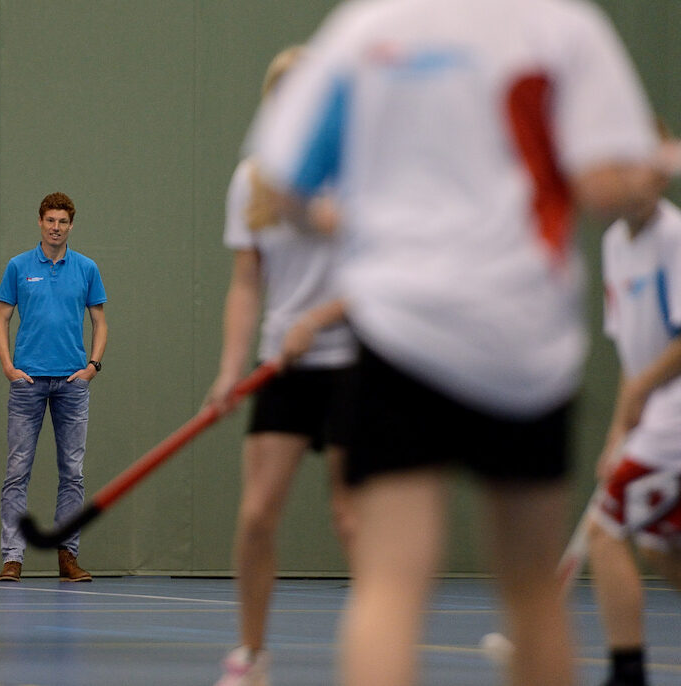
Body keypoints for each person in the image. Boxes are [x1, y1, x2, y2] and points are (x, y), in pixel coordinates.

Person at [244, 0, 670, 684]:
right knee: (533, 593)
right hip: (521, 340)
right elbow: (604, 187)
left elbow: (280, 182)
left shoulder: (368, 29)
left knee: (389, 585)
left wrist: (351, 221)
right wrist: (654, 163)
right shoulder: (563, 28)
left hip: (399, 334)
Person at [207, 46, 356, 686]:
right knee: (256, 515)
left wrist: (319, 320)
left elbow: (386, 274)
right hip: (282, 366)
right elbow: (246, 281)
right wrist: (230, 369)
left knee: (352, 519)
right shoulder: (253, 180)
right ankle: (252, 655)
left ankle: (374, 657)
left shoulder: (358, 171)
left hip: (355, 362)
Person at [588, 127, 681, 686]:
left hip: (676, 414)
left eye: (650, 165)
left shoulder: (676, 236)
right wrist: (616, 436)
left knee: (604, 532)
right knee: (660, 544)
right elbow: (632, 352)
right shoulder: (613, 246)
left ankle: (627, 675)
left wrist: (645, 388)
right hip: (655, 415)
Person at [0, 192, 108, 582]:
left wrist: (92, 366)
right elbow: (1, 319)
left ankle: (67, 557)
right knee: (17, 471)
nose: (56, 227)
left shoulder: (87, 268)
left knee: (72, 473)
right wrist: (9, 367)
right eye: (50, 220)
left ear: (71, 226)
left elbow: (100, 322)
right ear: (40, 222)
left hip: (72, 385)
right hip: (27, 382)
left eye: (62, 221)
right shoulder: (18, 266)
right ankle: (12, 558)